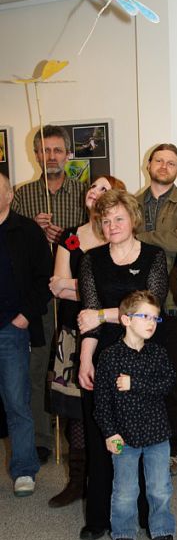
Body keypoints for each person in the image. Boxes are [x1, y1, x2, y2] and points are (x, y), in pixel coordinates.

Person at [77, 189, 168, 540]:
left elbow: (150, 308)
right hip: (105, 354)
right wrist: (86, 359)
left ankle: (145, 515)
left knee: (141, 435)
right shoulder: (91, 259)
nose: (112, 225)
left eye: (119, 218)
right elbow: (88, 319)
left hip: (144, 355)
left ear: (133, 219)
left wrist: (101, 314)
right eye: (105, 220)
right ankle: (99, 516)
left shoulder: (154, 257)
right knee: (103, 432)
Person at [48, 175, 126, 507]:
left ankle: (115, 481)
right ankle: (78, 481)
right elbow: (56, 287)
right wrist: (94, 286)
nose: (94, 192)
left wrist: (75, 285)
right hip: (73, 333)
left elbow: (120, 292)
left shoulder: (119, 236)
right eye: (93, 187)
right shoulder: (70, 238)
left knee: (113, 411)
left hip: (111, 336)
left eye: (104, 188)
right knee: (75, 414)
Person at [12, 124, 87, 463]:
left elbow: (94, 239)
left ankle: (78, 437)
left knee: (73, 363)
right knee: (38, 366)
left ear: (68, 154)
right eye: (45, 150)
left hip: (74, 293)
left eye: (57, 150)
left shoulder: (84, 193)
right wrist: (32, 231)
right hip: (36, 295)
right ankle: (42, 438)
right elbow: (11, 243)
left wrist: (64, 239)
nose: (51, 156)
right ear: (36, 155)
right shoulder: (22, 194)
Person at [94, 290, 176, 540]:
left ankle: (162, 533)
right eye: (145, 316)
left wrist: (134, 383)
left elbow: (167, 384)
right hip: (124, 436)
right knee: (125, 491)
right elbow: (102, 401)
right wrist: (110, 432)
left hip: (157, 435)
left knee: (159, 488)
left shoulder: (158, 354)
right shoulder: (110, 357)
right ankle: (123, 535)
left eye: (155, 318)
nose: (152, 323)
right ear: (126, 320)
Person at [136, 143, 177, 469]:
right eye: (159, 160)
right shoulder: (131, 203)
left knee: (173, 384)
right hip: (135, 310)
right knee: (138, 382)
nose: (164, 166)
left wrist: (139, 238)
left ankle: (172, 450)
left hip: (175, 309)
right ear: (148, 164)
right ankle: (141, 443)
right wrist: (160, 237)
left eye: (171, 162)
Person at [0, 173, 52, 495]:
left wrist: (24, 317)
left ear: (9, 196)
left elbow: (44, 279)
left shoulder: (28, 232)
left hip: (11, 330)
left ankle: (24, 469)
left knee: (17, 401)